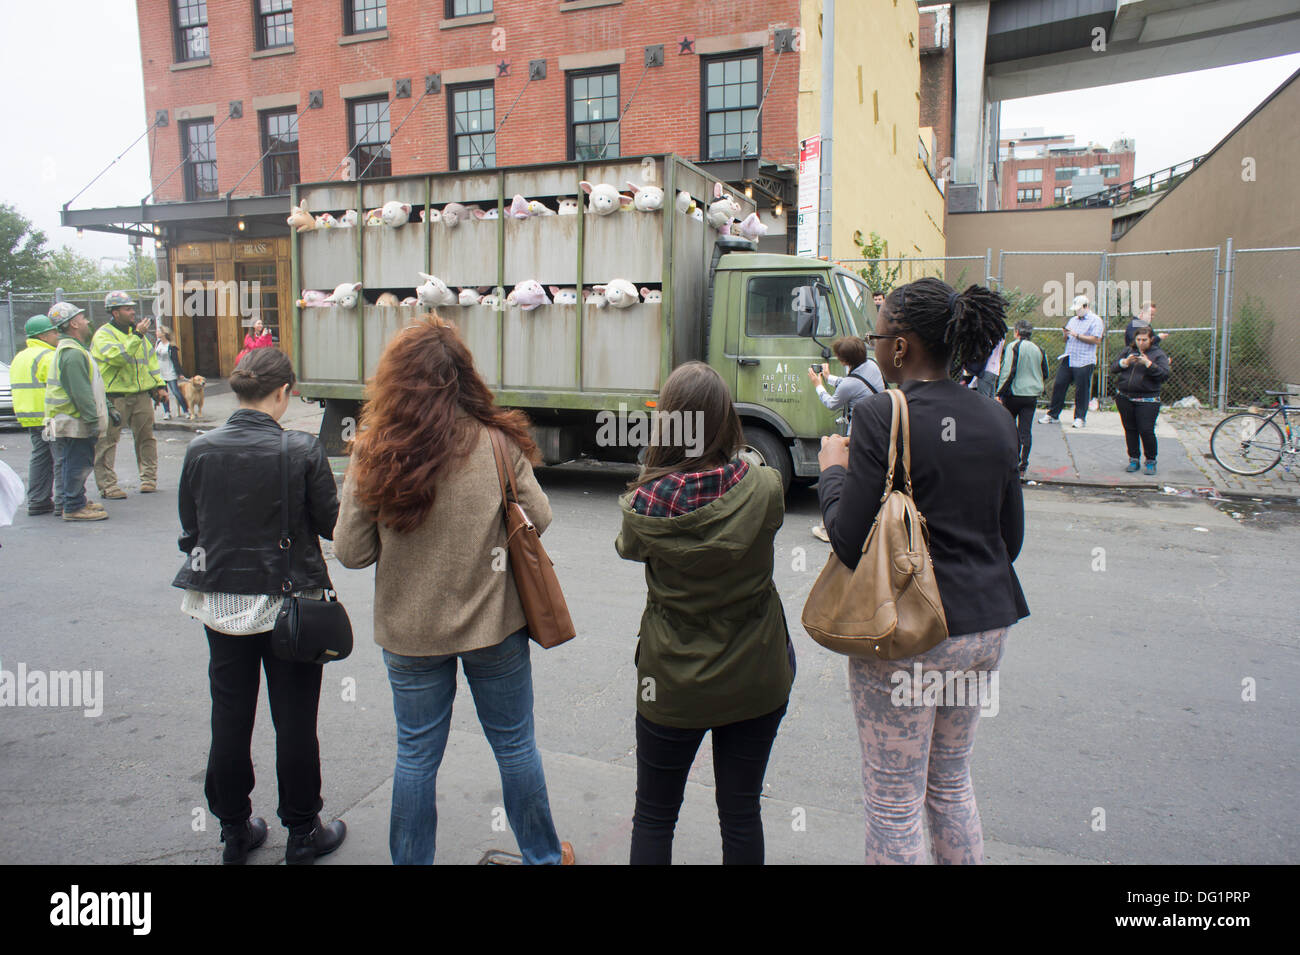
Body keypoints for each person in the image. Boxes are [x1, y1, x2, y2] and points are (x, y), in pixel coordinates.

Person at [333, 316, 573, 866]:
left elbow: (351, 552)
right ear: (464, 376)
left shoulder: (373, 451)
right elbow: (541, 517)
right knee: (515, 747)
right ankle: (541, 856)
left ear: (395, 380)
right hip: (495, 628)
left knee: (416, 756)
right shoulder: (496, 443)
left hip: (409, 632)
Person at [818, 278, 1029, 865]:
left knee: (893, 801)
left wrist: (832, 471)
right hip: (986, 626)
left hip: (912, 635)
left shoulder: (883, 413)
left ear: (902, 347)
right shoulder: (995, 417)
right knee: (951, 783)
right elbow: (1009, 539)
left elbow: (849, 539)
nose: (875, 345)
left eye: (878, 335)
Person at [616, 361, 794, 865]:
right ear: (727, 420)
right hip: (757, 673)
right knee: (740, 813)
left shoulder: (643, 504)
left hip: (672, 680)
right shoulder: (765, 487)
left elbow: (627, 547)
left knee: (653, 816)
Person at [173, 347, 346, 865]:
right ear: (284, 392)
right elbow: (332, 526)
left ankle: (233, 830)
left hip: (222, 604)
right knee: (294, 719)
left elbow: (191, 532)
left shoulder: (201, 449)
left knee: (229, 714)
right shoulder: (301, 450)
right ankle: (302, 831)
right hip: (291, 605)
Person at [807, 336, 885, 542]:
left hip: (856, 434)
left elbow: (832, 403)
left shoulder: (849, 383)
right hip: (874, 431)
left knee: (843, 477)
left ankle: (828, 528)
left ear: (844, 360)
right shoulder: (871, 365)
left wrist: (818, 384)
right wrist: (829, 378)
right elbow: (853, 384)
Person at [92, 290, 166, 498]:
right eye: (127, 309)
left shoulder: (139, 335)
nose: (133, 312)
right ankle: (108, 485)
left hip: (141, 395)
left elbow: (151, 363)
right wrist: (137, 336)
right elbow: (118, 358)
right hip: (115, 397)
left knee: (146, 438)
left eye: (132, 308)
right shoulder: (104, 335)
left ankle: (148, 479)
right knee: (107, 441)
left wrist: (159, 386)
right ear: (115, 313)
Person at [42, 303, 110, 523]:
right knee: (77, 462)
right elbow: (80, 393)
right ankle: (73, 506)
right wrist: (92, 421)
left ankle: (72, 501)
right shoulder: (72, 353)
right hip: (73, 421)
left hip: (67, 419)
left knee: (72, 461)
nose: (87, 321)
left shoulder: (73, 350)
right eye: (82, 317)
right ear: (73, 324)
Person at [11, 316, 64, 516]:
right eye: (53, 332)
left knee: (40, 456)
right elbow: (57, 386)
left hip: (31, 417)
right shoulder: (47, 356)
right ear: (43, 335)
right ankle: (63, 501)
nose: (57, 335)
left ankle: (38, 500)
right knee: (59, 457)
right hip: (48, 417)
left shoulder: (21, 356)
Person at [1111, 323, 1171, 475]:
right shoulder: (1128, 350)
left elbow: (1164, 375)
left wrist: (1148, 364)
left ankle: (1150, 460)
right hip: (1125, 397)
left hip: (1148, 399)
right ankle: (1133, 459)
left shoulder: (1158, 354)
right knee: (1130, 430)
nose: (1141, 342)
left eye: (1144, 339)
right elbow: (1113, 368)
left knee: (1146, 430)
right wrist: (1124, 363)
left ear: (1151, 340)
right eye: (1138, 339)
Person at [996, 320, 1050, 480]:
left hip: (1014, 393)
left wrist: (1000, 392)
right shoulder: (1038, 349)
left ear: (1017, 332)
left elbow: (1008, 370)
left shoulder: (1013, 347)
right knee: (1025, 431)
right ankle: (1022, 465)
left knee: (1009, 429)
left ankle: (1010, 462)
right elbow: (1044, 372)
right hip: (1031, 395)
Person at [1040, 293, 1103, 428]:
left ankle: (1080, 417)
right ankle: (1053, 414)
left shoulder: (1095, 320)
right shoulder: (1073, 320)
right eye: (1076, 309)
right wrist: (1066, 335)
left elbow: (1097, 340)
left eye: (1080, 308)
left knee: (1082, 389)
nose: (1077, 311)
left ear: (1086, 307)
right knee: (1059, 384)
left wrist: (1078, 335)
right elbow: (1066, 339)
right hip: (1069, 357)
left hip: (1084, 359)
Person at [154, 327, 189, 420]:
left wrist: (179, 373)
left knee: (176, 392)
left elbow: (175, 361)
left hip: (170, 372)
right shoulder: (158, 343)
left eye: (158, 331)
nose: (156, 333)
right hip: (160, 373)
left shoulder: (171, 346)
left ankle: (186, 410)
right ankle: (167, 412)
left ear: (164, 333)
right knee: (163, 393)